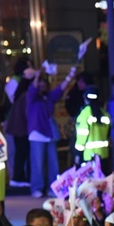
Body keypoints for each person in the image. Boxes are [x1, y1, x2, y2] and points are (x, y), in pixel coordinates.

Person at [24, 66, 76, 199]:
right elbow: (33, 88)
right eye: (39, 83)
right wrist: (38, 74)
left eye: (43, 83)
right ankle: (37, 188)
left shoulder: (49, 97)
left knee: (53, 163)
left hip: (50, 134)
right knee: (38, 164)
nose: (41, 85)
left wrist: (70, 75)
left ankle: (53, 187)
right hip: (37, 134)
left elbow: (60, 89)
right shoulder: (31, 97)